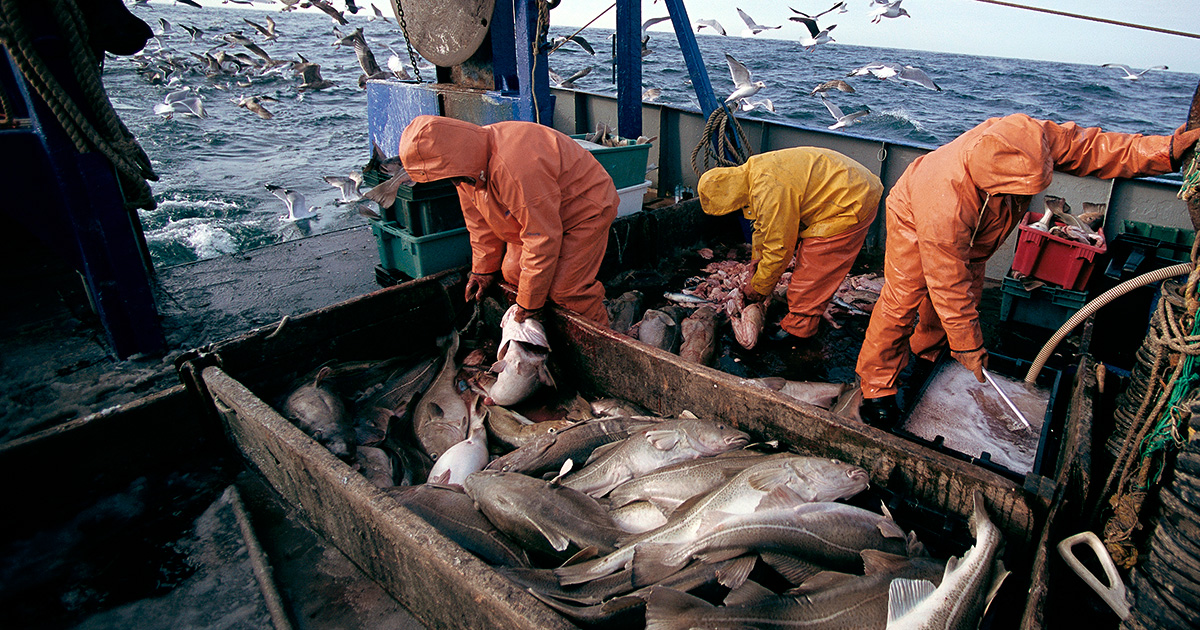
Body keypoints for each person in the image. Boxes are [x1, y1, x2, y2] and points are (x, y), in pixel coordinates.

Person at [855, 113, 1200, 428]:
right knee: (903, 299)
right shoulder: (944, 202)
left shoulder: (1034, 137)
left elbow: (1093, 148)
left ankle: (928, 354)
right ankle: (876, 386)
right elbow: (947, 281)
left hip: (977, 233)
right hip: (915, 216)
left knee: (965, 296)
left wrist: (1165, 152)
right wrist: (969, 345)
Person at [397, 115, 619, 326]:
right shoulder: (464, 170)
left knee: (565, 291)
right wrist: (483, 270)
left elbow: (541, 237)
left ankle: (602, 339)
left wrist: (529, 304)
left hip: (584, 209)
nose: (454, 183)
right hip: (539, 216)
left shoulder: (515, 167)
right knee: (513, 273)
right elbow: (479, 223)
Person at [697, 146, 884, 340]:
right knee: (805, 262)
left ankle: (798, 330)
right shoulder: (752, 173)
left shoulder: (769, 192)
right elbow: (764, 227)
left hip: (851, 200)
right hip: (846, 185)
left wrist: (759, 288)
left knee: (813, 269)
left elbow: (779, 249)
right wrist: (757, 261)